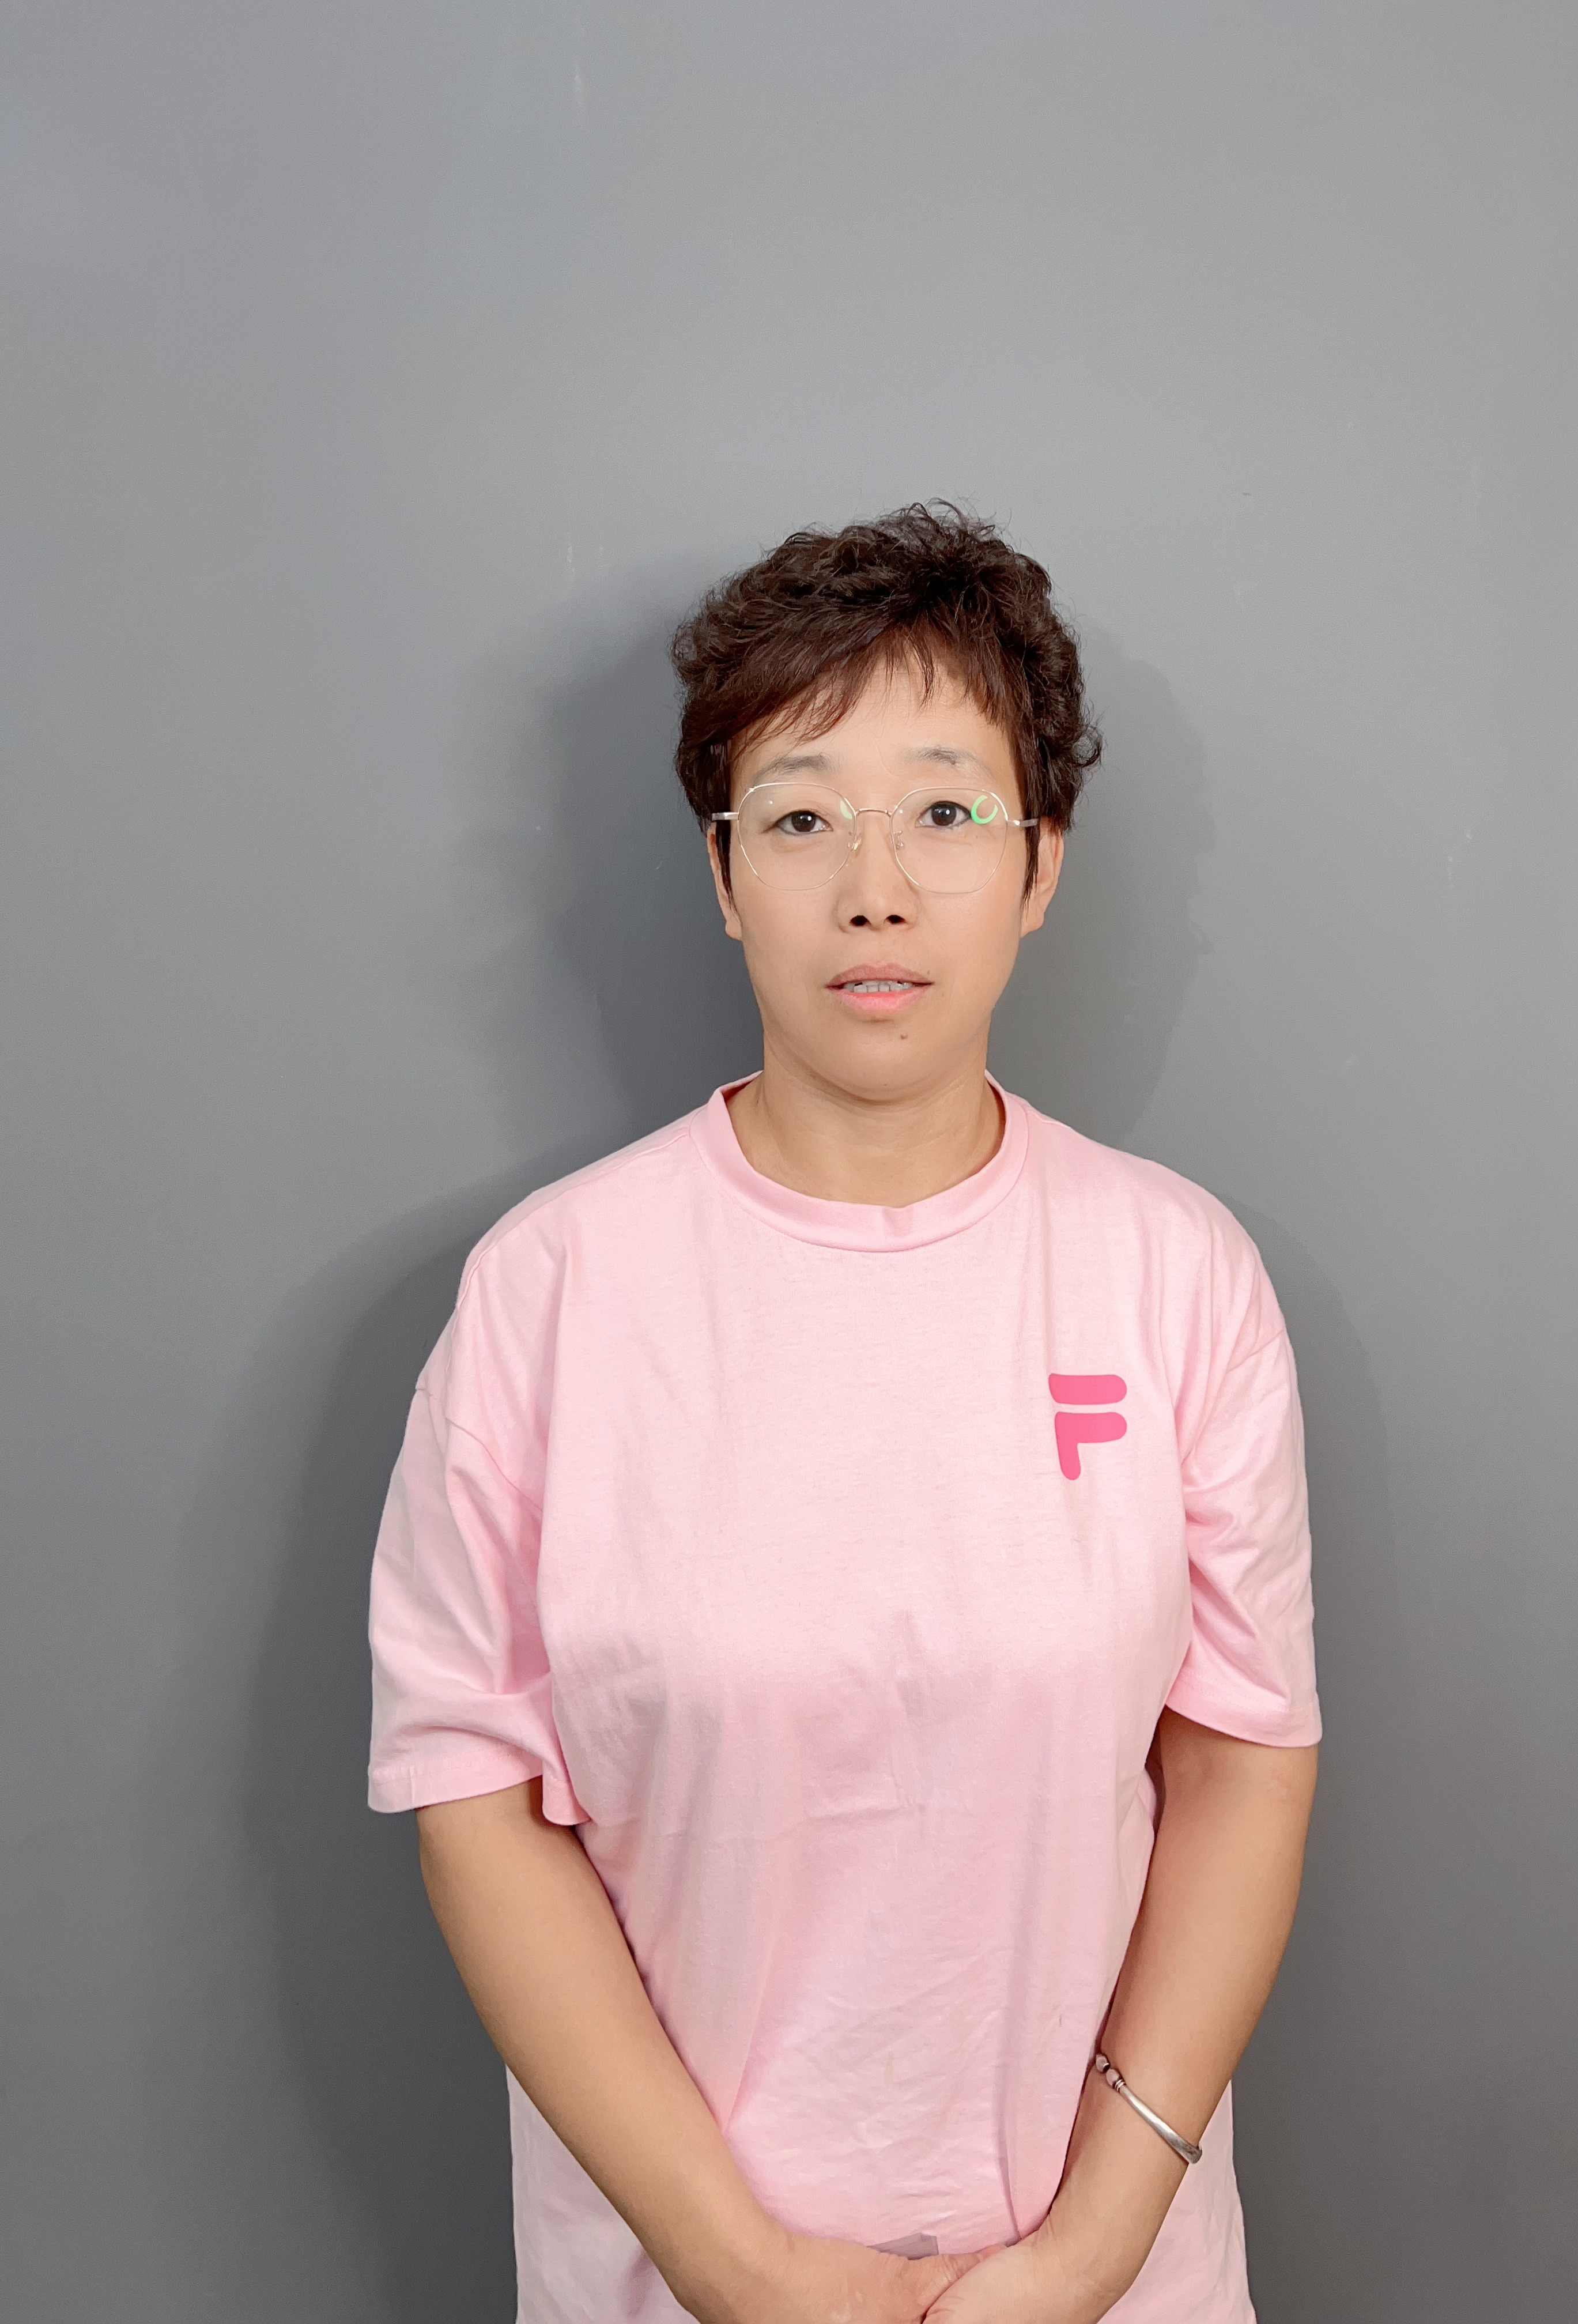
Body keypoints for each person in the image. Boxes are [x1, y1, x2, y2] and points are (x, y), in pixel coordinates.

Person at [366, 503, 1320, 2324]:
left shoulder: (1177, 1274)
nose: (875, 887)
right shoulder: (550, 1291)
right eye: (802, 818)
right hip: (677, 2282)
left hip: (1096, 2277)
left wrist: (1094, 2250)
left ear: (1040, 865)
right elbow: (470, 1794)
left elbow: (1242, 1763)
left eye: (946, 813)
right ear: (726, 875)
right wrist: (739, 2269)